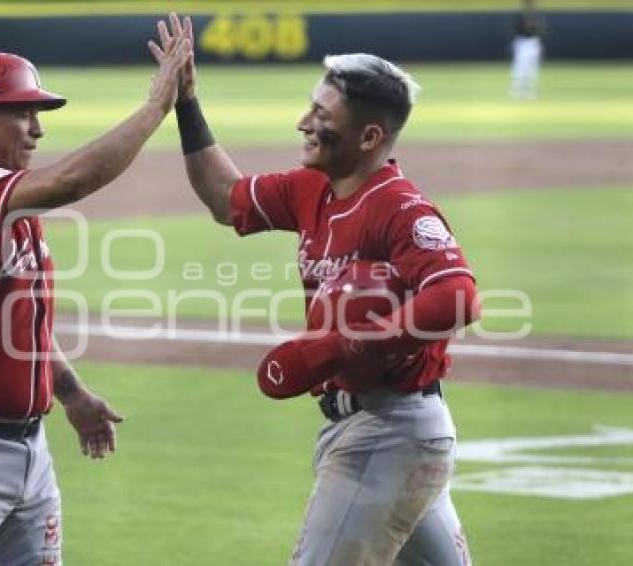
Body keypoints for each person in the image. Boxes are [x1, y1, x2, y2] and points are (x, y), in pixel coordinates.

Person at [154, 14, 478, 566]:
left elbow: (456, 298)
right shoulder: (313, 190)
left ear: (370, 136)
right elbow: (223, 196)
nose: (303, 122)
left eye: (321, 116)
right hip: (383, 428)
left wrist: (338, 345)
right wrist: (185, 101)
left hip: (389, 431)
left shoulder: (400, 207)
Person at [0, 40, 190, 566]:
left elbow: (19, 325)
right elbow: (73, 180)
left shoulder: (10, 209)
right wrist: (156, 106)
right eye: (23, 113)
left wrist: (70, 393)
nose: (39, 128)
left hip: (28, 452)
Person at [510, 0, 545, 99]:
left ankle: (530, 91)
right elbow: (516, 30)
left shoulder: (537, 16)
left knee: (533, 69)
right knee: (520, 68)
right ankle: (516, 91)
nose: (531, 6)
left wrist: (533, 27)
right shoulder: (520, 16)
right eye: (528, 4)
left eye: (532, 4)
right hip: (523, 43)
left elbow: (540, 29)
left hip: (533, 42)